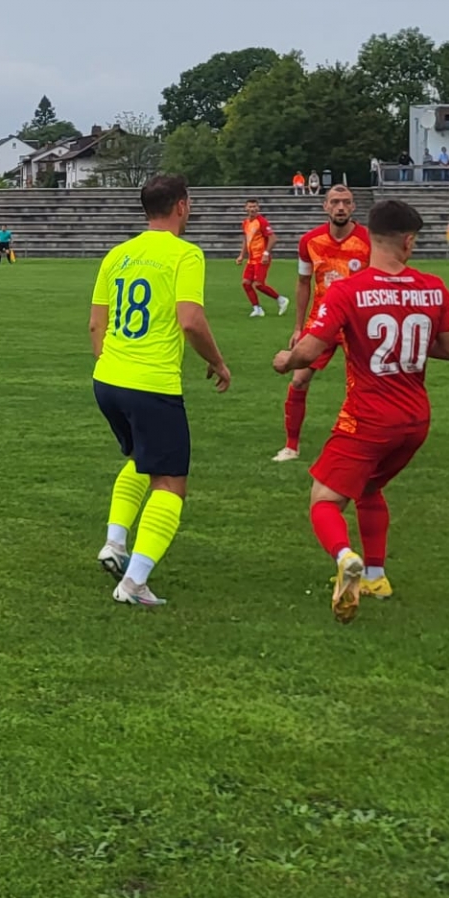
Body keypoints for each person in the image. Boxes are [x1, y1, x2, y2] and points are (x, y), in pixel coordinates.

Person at [274, 200, 449, 622]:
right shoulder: (434, 288)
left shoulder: (348, 290)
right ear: (408, 241)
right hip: (415, 420)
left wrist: (285, 361)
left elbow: (309, 349)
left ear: (370, 238)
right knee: (370, 488)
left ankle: (346, 558)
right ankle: (376, 577)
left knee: (324, 500)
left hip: (368, 418)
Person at [88, 174, 231, 608]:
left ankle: (115, 543)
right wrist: (217, 362)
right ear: (182, 206)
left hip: (108, 379)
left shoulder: (118, 254)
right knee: (170, 483)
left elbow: (96, 324)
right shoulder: (185, 254)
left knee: (141, 458)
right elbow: (190, 320)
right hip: (151, 384)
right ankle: (134, 584)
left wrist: (113, 367)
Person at [273, 185, 373, 463]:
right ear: (325, 206)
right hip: (322, 321)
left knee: (364, 385)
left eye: (346, 202)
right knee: (299, 379)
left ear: (353, 207)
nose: (341, 207)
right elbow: (303, 282)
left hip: (358, 323)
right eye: (335, 202)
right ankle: (291, 446)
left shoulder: (368, 240)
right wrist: (298, 327)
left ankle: (365, 443)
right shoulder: (309, 241)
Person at [236, 199, 287, 318]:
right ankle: (257, 309)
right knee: (246, 283)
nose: (252, 209)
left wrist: (266, 253)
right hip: (252, 259)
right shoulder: (245, 223)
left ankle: (281, 299)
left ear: (258, 208)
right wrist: (241, 255)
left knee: (259, 284)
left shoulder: (262, 222)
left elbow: (273, 238)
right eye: (250, 207)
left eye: (254, 206)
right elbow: (246, 239)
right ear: (246, 208)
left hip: (261, 258)